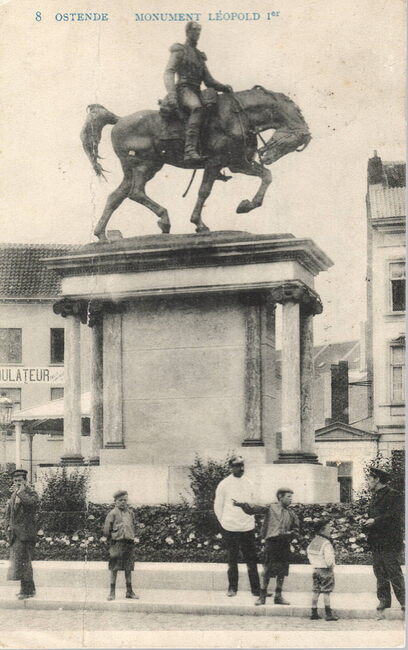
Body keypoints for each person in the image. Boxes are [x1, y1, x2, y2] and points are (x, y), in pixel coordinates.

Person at [164, 21, 233, 163]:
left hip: (196, 90)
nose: (197, 33)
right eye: (195, 30)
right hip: (184, 89)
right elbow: (169, 72)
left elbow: (209, 81)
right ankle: (189, 150)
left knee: (215, 110)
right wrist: (172, 94)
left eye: (199, 30)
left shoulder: (199, 56)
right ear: (188, 31)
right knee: (197, 108)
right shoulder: (180, 50)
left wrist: (224, 88)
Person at [233, 488, 299, 606]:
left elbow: (296, 529)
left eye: (291, 497)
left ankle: (278, 596)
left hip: (284, 544)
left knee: (282, 571)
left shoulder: (291, 514)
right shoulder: (271, 507)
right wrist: (242, 505)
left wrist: (291, 533)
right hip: (272, 543)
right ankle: (262, 596)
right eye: (288, 496)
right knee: (267, 570)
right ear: (280, 497)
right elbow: (254, 508)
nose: (291, 499)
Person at [214, 455, 261, 597]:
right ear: (231, 467)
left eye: (242, 465)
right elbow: (218, 506)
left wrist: (250, 519)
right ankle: (232, 588)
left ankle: (256, 589)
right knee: (232, 559)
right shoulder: (224, 484)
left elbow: (254, 503)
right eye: (237, 465)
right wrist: (225, 522)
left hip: (247, 527)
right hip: (230, 528)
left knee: (251, 559)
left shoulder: (249, 483)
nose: (241, 468)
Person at [364, 467, 405, 619]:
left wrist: (374, 521)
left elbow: (393, 516)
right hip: (376, 541)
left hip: (389, 541)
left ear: (377, 479)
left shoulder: (393, 494)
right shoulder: (375, 496)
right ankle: (383, 602)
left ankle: (404, 602)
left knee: (394, 573)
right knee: (380, 573)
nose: (368, 482)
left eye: (369, 479)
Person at [5, 468, 39, 600]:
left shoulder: (31, 493)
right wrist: (7, 527)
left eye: (19, 480)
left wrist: (21, 492)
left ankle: (27, 591)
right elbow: (9, 513)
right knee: (19, 563)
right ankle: (27, 589)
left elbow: (31, 504)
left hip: (26, 535)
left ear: (25, 481)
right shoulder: (14, 495)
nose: (17, 483)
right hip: (15, 535)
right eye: (15, 481)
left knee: (25, 563)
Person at [103, 490, 139, 601]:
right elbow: (106, 529)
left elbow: (134, 526)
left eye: (125, 500)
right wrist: (111, 538)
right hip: (117, 543)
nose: (123, 502)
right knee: (114, 568)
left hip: (129, 543)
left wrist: (133, 536)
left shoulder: (130, 513)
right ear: (115, 501)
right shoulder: (112, 513)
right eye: (120, 500)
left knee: (128, 567)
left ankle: (129, 591)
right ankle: (112, 592)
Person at [306, 519, 339, 621]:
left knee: (316, 591)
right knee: (326, 592)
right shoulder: (326, 543)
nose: (330, 530)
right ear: (322, 530)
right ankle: (328, 614)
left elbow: (309, 553)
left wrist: (315, 563)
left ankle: (314, 612)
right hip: (325, 570)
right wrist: (331, 565)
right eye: (328, 528)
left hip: (316, 569)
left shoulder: (313, 541)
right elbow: (329, 560)